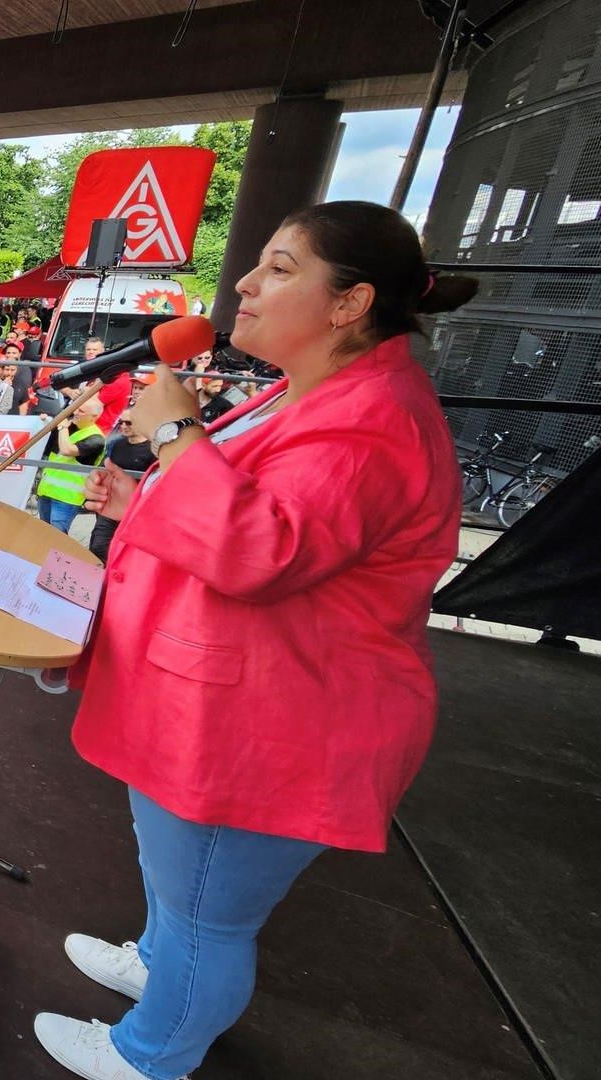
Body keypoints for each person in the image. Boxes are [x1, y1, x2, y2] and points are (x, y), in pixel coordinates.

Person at [36, 202, 472, 1080]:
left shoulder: (373, 420)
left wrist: (170, 429)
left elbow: (257, 549)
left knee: (207, 915)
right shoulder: (314, 387)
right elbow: (262, 513)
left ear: (350, 304)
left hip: (277, 723)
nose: (244, 283)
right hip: (216, 697)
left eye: (278, 267)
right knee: (179, 885)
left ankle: (151, 1054)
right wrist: (142, 500)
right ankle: (159, 967)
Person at [86, 408, 154, 563]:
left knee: (125, 554)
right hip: (111, 506)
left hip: (137, 511)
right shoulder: (117, 444)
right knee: (98, 547)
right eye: (121, 422)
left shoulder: (153, 450)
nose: (123, 426)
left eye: (128, 423)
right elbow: (108, 469)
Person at [35, 394, 106, 535]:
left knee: (57, 538)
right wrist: (43, 421)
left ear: (94, 416)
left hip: (66, 499)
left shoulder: (96, 438)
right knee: (42, 535)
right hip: (46, 491)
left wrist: (62, 428)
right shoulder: (69, 426)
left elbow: (67, 450)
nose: (75, 413)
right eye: (76, 409)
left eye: (81, 411)